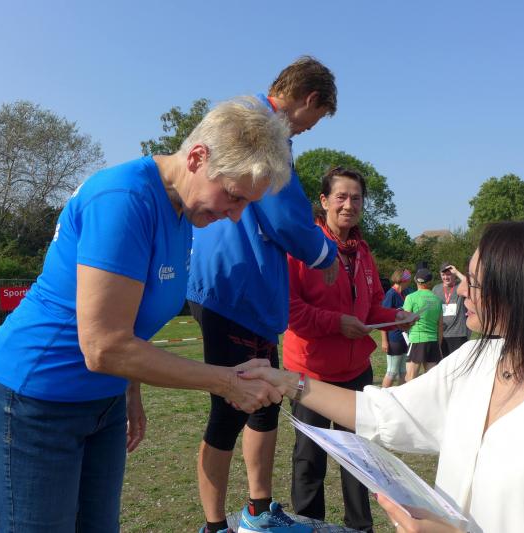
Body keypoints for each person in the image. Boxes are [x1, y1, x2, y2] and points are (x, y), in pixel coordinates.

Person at [0, 97, 292, 532]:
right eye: (235, 197)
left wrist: (131, 388)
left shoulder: (183, 211)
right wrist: (225, 381)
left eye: (246, 205)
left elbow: (128, 320)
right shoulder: (124, 199)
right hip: (36, 399)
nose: (236, 216)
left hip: (102, 401)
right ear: (197, 158)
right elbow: (104, 346)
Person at [240, 220, 524, 533]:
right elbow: (386, 412)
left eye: (473, 282)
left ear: (522, 295)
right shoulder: (479, 360)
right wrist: (288, 381)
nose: (460, 291)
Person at [185, 57, 340, 533]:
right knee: (230, 408)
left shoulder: (256, 120)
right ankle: (214, 525)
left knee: (266, 399)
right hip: (232, 286)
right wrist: (325, 253)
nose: (310, 128)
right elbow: (284, 215)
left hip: (249, 291)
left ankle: (258, 510)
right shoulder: (259, 127)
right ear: (310, 99)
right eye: (316, 118)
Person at [282, 166, 415, 533]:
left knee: (359, 459)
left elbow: (370, 308)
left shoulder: (363, 252)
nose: (349, 205)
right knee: (309, 459)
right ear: (324, 201)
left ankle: (360, 527)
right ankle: (310, 526)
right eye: (341, 197)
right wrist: (337, 322)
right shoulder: (303, 247)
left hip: (356, 371)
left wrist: (395, 316)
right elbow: (290, 311)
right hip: (310, 373)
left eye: (356, 198)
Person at [403, 269, 443, 381]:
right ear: (430, 282)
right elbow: (440, 325)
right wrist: (438, 345)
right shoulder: (437, 299)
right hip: (433, 341)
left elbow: (405, 320)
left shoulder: (410, 297)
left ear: (415, 280)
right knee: (432, 379)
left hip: (417, 340)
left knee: (410, 378)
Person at [381, 269, 412, 388]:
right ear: (404, 280)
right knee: (392, 371)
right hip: (394, 338)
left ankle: (401, 394)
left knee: (403, 371)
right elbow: (383, 319)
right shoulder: (391, 294)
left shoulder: (405, 292)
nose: (410, 282)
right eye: (408, 279)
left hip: (404, 337)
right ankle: (381, 396)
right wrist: (384, 340)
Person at [433, 263, 469, 359]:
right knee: (443, 363)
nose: (446, 277)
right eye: (443, 275)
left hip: (458, 333)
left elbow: (470, 283)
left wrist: (457, 272)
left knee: (459, 362)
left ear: (453, 274)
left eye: (449, 274)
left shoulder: (460, 286)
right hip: (442, 333)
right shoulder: (436, 289)